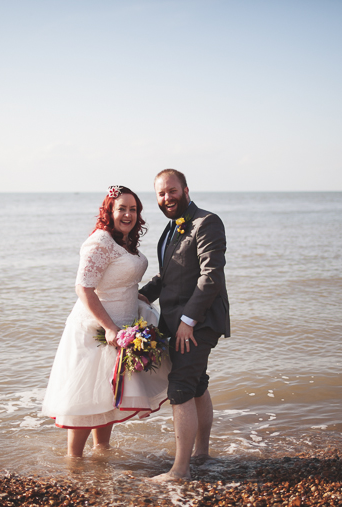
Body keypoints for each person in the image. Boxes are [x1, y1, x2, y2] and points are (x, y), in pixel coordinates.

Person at [41, 185, 169, 457]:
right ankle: (73, 462)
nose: (128, 214)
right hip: (97, 328)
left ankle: (102, 451)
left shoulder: (124, 242)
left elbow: (121, 282)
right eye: (121, 208)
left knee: (106, 394)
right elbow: (83, 288)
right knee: (86, 397)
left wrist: (141, 300)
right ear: (109, 211)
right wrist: (110, 328)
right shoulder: (99, 242)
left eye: (133, 209)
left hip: (125, 323)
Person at [139, 169, 230, 481]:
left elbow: (211, 276)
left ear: (186, 189)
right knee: (197, 384)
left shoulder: (207, 222)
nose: (167, 198)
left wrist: (188, 321)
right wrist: (142, 295)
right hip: (176, 321)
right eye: (161, 194)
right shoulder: (169, 230)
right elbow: (168, 277)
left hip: (199, 321)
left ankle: (180, 471)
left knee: (180, 389)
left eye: (171, 191)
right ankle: (201, 453)